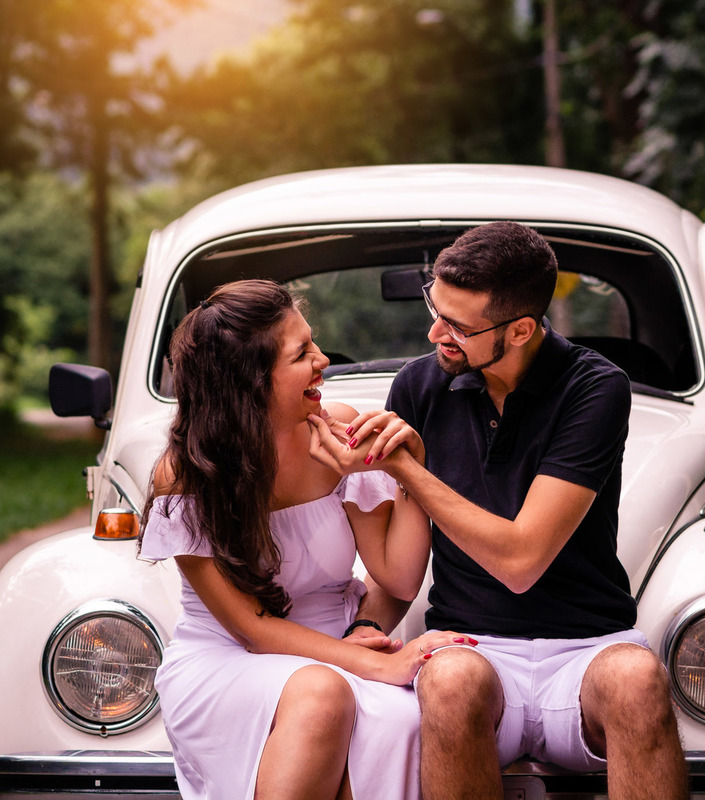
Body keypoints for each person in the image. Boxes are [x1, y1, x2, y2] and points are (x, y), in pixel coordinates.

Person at [309, 223, 689, 800]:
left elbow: (521, 559)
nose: (436, 333)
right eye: (435, 309)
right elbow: (408, 556)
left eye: (458, 327)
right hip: (472, 646)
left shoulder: (595, 388)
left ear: (521, 329)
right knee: (450, 678)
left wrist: (406, 466)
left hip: (585, 651)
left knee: (638, 678)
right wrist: (365, 627)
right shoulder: (418, 386)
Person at [138, 279, 471, 800]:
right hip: (230, 658)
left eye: (314, 343)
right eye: (302, 354)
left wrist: (408, 467)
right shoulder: (186, 475)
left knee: (398, 722)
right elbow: (252, 629)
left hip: (342, 644)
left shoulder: (335, 430)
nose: (323, 361)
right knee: (321, 694)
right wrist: (382, 664)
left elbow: (399, 576)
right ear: (250, 381)